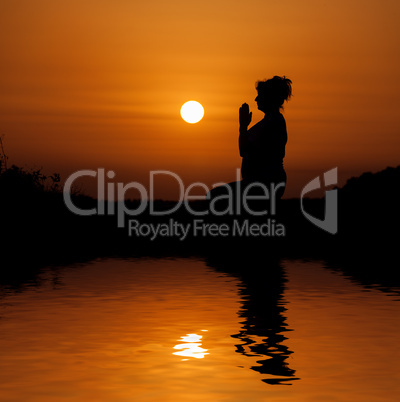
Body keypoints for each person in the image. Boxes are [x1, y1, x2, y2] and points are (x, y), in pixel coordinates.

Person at [239, 76, 292, 200]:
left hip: (265, 183)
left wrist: (243, 127)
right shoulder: (270, 121)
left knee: (214, 197)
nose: (256, 99)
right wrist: (243, 126)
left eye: (260, 95)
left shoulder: (273, 122)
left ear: (269, 97)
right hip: (260, 182)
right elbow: (244, 150)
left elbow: (245, 150)